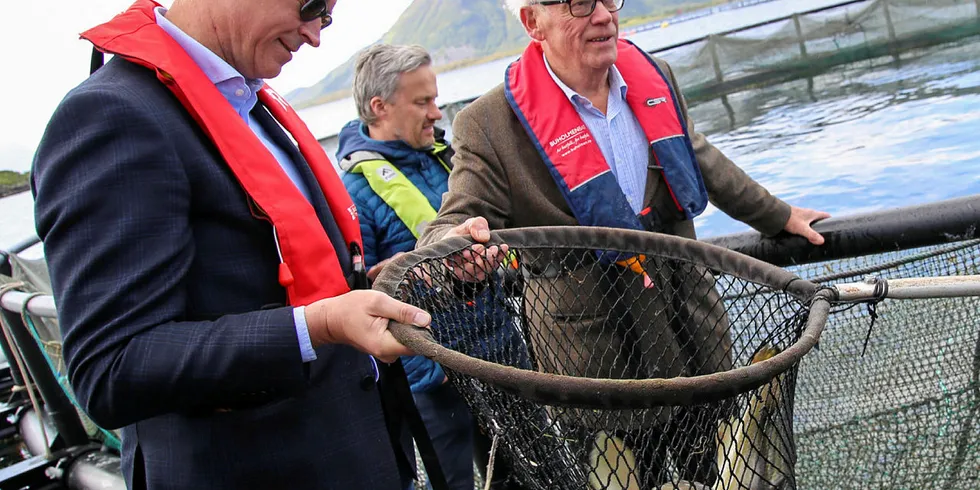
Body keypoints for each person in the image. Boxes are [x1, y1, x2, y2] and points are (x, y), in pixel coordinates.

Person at [416, 0, 831, 488]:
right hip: (595, 364)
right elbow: (452, 221)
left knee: (727, 470)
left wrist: (778, 215)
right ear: (533, 22)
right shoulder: (488, 123)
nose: (603, 15)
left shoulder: (654, 76)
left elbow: (699, 157)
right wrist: (455, 248)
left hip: (691, 330)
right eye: (578, 3)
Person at [30, 1, 431, 489]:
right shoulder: (112, 114)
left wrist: (392, 278)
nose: (314, 36)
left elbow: (287, 280)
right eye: (310, 6)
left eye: (326, 17)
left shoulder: (249, 104)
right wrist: (320, 324)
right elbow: (112, 366)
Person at [337, 43, 527, 490]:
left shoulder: (455, 161)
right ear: (379, 107)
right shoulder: (352, 194)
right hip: (434, 379)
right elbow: (360, 293)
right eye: (422, 101)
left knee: (524, 476)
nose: (436, 113)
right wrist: (428, 369)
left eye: (436, 99)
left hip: (502, 355)